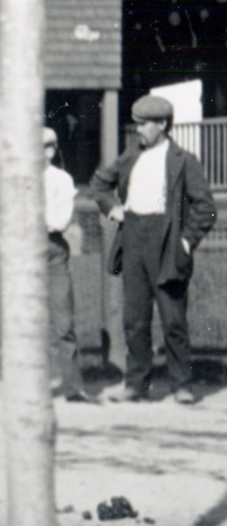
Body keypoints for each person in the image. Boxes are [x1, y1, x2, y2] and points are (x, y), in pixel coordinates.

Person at [89, 94, 217, 403]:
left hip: (168, 241)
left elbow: (206, 207)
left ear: (162, 125)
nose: (139, 130)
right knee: (135, 317)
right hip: (133, 237)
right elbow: (99, 184)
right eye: (137, 124)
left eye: (145, 124)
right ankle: (136, 383)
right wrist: (114, 210)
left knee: (173, 318)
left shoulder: (184, 160)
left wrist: (186, 241)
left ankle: (181, 385)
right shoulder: (131, 156)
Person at [42, 127, 94, 403]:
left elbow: (59, 220)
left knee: (62, 320)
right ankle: (31, 387)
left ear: (50, 151)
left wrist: (35, 220)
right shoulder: (17, 179)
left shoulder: (61, 179)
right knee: (27, 320)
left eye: (42, 148)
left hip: (51, 249)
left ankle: (73, 386)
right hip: (24, 252)